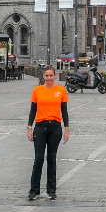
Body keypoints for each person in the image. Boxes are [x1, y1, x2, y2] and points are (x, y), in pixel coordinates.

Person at [26, 67, 69, 201]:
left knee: (51, 158)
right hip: (40, 127)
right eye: (46, 75)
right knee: (38, 159)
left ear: (55, 76)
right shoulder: (37, 90)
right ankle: (34, 190)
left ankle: (51, 190)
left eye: (51, 75)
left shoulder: (61, 90)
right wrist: (29, 127)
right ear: (43, 77)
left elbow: (65, 112)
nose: (49, 78)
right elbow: (33, 110)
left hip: (55, 127)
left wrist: (66, 129)